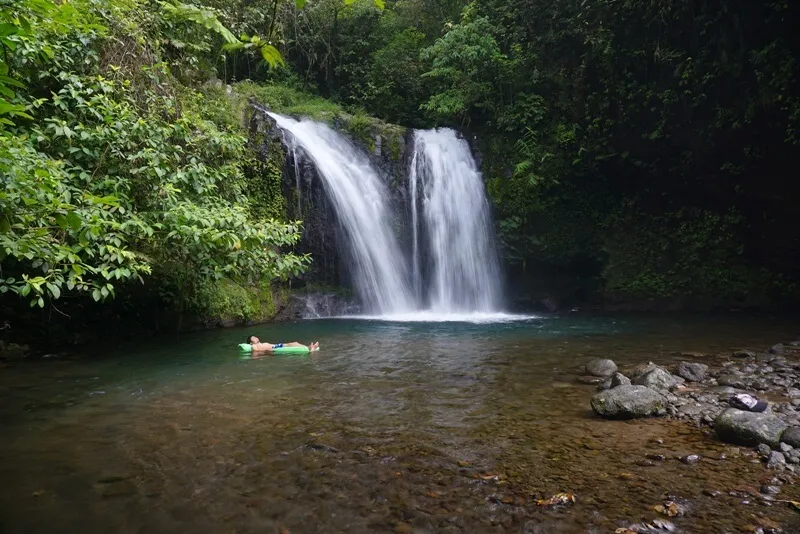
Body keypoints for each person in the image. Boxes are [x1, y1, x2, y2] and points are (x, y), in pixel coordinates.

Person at [245, 335, 319, 353]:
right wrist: (268, 351)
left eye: (255, 337)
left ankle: (309, 347)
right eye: (253, 338)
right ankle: (310, 350)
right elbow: (257, 351)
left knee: (294, 343)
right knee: (292, 344)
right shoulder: (254, 346)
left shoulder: (260, 343)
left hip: (276, 345)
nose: (255, 338)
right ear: (251, 342)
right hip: (273, 349)